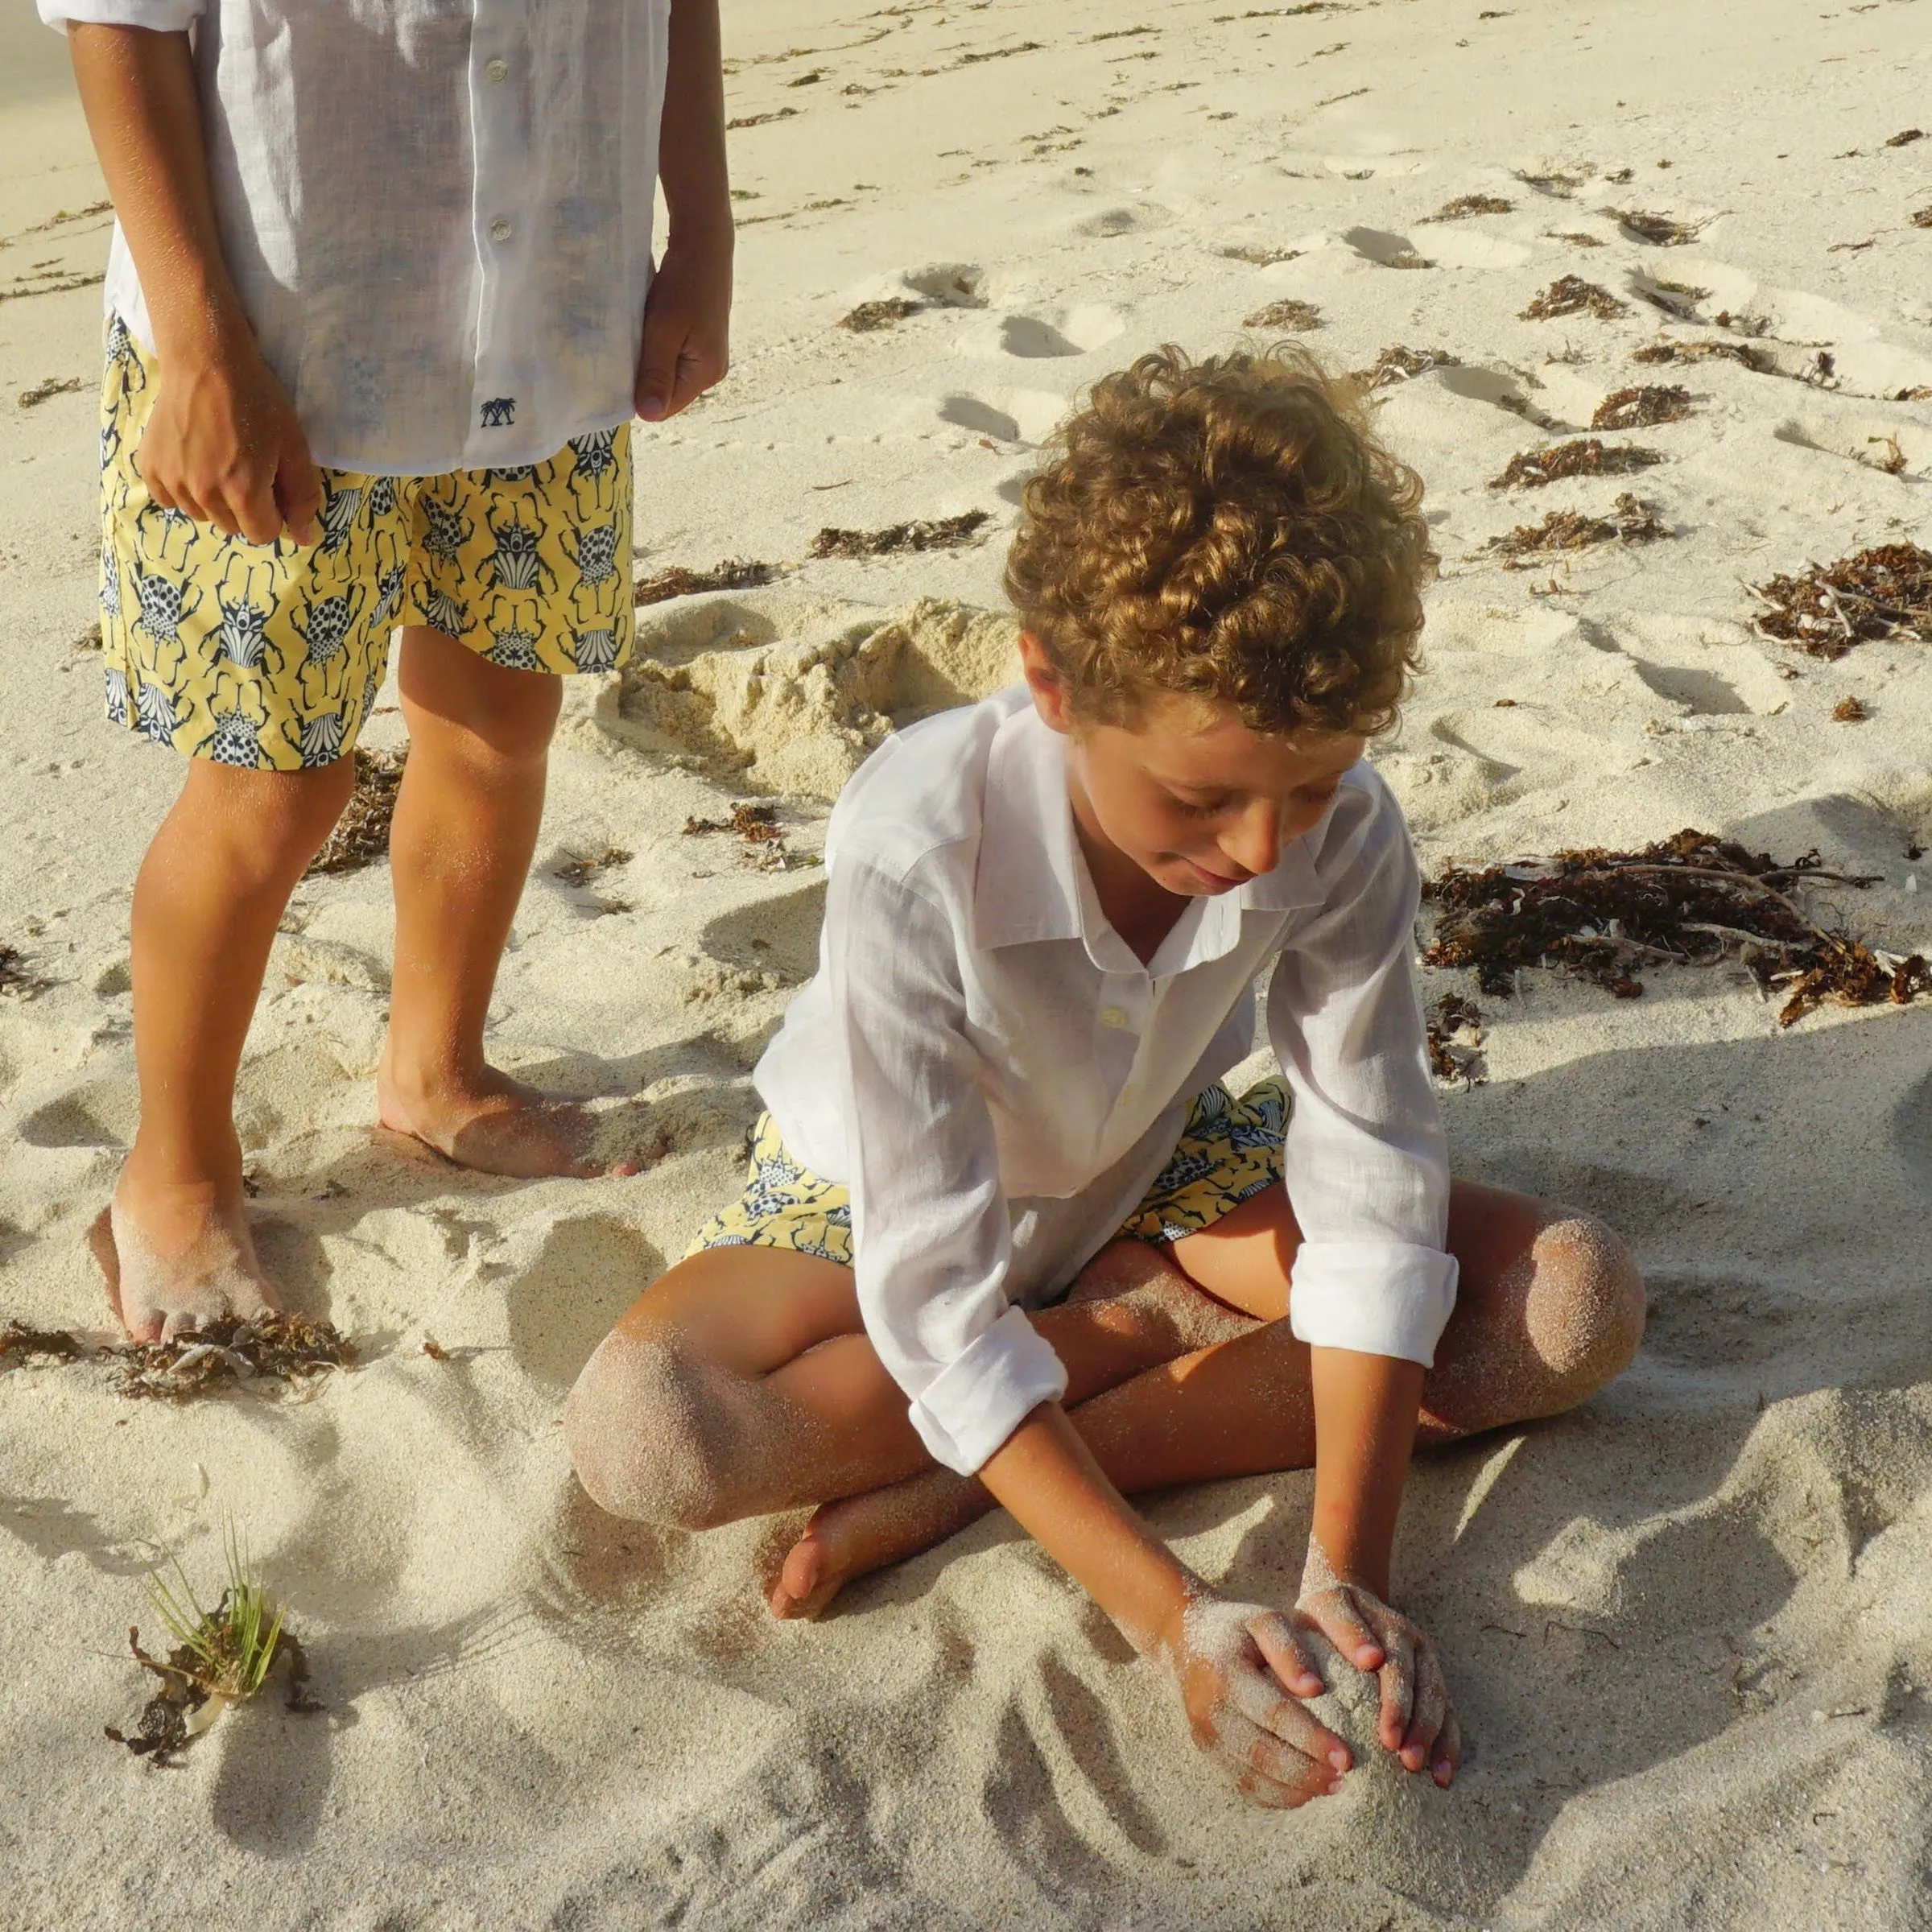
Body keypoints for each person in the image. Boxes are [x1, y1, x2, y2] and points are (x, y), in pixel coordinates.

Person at [564, 346, 1646, 1808]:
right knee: (651, 1434)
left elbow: (1373, 1177)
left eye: (1313, 789)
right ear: (1053, 684)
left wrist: (1350, 1574)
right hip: (868, 1190)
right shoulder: (914, 845)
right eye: (1204, 798)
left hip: (1159, 1160)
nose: (1267, 852)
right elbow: (934, 1299)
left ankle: (996, 1469)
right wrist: (1175, 1621)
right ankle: (1109, 1352)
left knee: (1570, 1303)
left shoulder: (1341, 829)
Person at [48, 0, 733, 1342]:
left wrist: (702, 233)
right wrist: (197, 349)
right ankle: (173, 1170)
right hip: (277, 345)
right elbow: (116, 19)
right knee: (272, 788)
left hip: (554, 311)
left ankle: (436, 1069)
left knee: (498, 722)